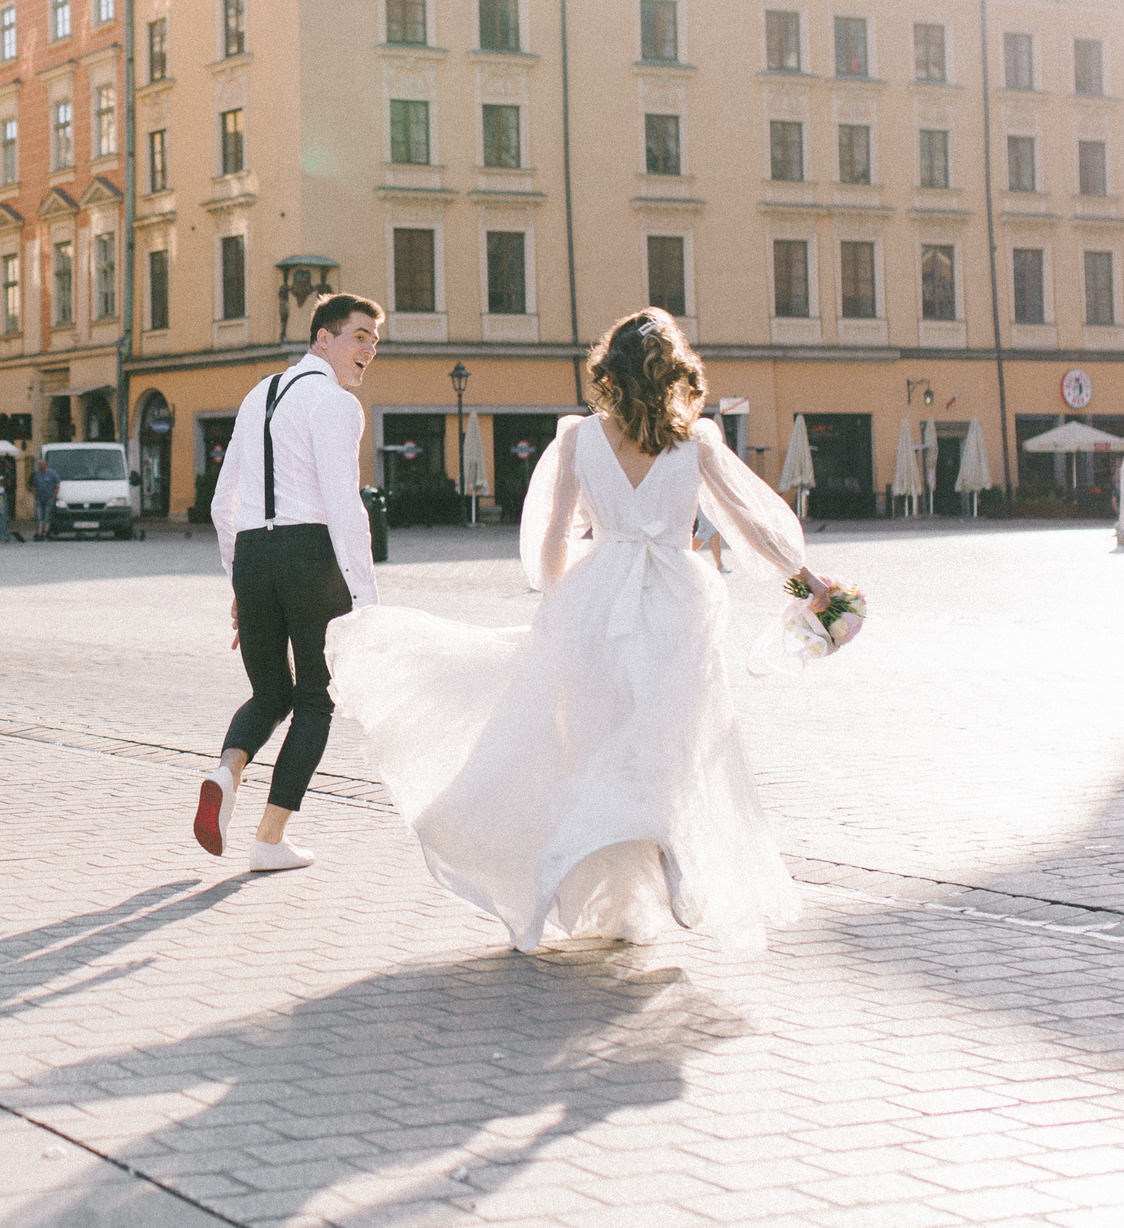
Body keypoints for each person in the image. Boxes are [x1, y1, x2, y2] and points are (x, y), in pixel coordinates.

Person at [328, 308, 829, 951]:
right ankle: (672, 844)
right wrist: (809, 585)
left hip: (597, 603)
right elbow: (753, 529)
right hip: (679, 602)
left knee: (593, 748)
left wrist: (563, 600)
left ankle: (561, 883)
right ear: (672, 371)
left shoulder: (578, 440)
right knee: (675, 738)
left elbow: (548, 553)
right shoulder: (697, 441)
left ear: (609, 373)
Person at [193, 293, 384, 873]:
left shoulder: (257, 396)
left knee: (268, 693)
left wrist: (238, 579)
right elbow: (344, 505)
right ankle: (269, 840)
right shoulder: (334, 404)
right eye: (359, 336)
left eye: (375, 341)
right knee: (315, 700)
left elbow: (222, 503)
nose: (369, 351)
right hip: (309, 552)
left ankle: (225, 772)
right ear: (322, 338)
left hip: (253, 551)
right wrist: (366, 601)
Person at [31, 454, 60, 541]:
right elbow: (34, 486)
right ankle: (39, 533)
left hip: (49, 498)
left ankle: (46, 532)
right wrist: (34, 495)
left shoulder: (52, 473)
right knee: (39, 516)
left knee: (47, 516)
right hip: (39, 498)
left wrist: (54, 495)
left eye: (41, 465)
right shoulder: (37, 474)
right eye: (39, 465)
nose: (39, 466)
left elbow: (57, 485)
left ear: (45, 465)